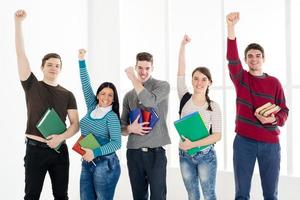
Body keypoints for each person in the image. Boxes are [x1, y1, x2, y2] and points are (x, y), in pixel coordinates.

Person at [14, 10, 79, 200]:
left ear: (61, 69)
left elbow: (75, 124)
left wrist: (60, 137)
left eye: (57, 65)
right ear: (42, 67)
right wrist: (18, 23)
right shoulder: (32, 84)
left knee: (61, 196)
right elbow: (20, 54)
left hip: (59, 151)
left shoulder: (68, 94)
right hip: (35, 150)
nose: (53, 67)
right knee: (31, 195)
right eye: (49, 64)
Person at [226, 12, 289, 200]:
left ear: (263, 58)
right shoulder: (241, 78)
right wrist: (231, 28)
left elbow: (284, 111)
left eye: (258, 55)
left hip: (270, 144)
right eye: (250, 56)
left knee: (271, 195)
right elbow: (232, 59)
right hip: (244, 142)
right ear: (246, 60)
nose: (254, 59)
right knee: (242, 194)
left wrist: (273, 118)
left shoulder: (275, 83)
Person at [121, 52, 171, 200]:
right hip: (134, 153)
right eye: (140, 68)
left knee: (158, 196)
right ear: (136, 67)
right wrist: (130, 129)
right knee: (138, 197)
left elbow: (149, 101)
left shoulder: (162, 86)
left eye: (147, 68)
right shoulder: (129, 96)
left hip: (156, 153)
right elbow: (121, 127)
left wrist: (132, 78)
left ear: (152, 68)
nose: (143, 72)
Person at [177, 34, 222, 200]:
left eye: (204, 79)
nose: (199, 82)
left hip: (206, 156)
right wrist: (183, 46)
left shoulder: (213, 107)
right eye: (196, 78)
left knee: (209, 195)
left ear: (209, 82)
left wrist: (193, 144)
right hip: (185, 156)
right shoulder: (184, 98)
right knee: (192, 195)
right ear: (192, 80)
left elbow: (217, 136)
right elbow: (180, 71)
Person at [77, 49, 121, 200]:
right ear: (97, 95)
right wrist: (81, 60)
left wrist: (94, 153)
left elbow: (116, 143)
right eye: (103, 93)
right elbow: (85, 84)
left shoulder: (112, 117)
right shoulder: (91, 107)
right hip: (87, 161)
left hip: (105, 163)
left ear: (114, 99)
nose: (106, 97)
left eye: (110, 95)